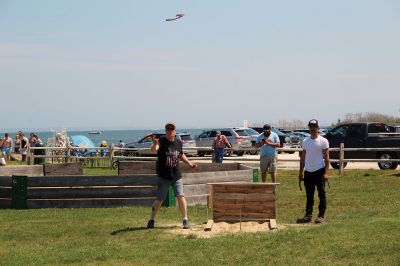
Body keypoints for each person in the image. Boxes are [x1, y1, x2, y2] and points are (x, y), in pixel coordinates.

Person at [147, 122, 197, 229]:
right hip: (163, 176)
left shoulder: (178, 142)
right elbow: (153, 150)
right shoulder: (161, 141)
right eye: (168, 129)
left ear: (175, 131)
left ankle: (185, 220)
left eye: (172, 129)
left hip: (176, 175)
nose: (170, 131)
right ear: (165, 131)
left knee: (180, 196)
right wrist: (155, 143)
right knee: (160, 199)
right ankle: (151, 219)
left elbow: (180, 154)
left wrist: (189, 163)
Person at [297, 119, 330, 224]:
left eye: (314, 126)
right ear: (309, 128)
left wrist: (326, 172)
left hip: (319, 171)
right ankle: (308, 215)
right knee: (309, 195)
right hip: (308, 172)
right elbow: (303, 158)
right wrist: (300, 172)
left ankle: (321, 215)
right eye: (311, 126)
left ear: (318, 128)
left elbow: (327, 158)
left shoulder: (323, 141)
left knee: (321, 194)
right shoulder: (305, 141)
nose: (312, 128)